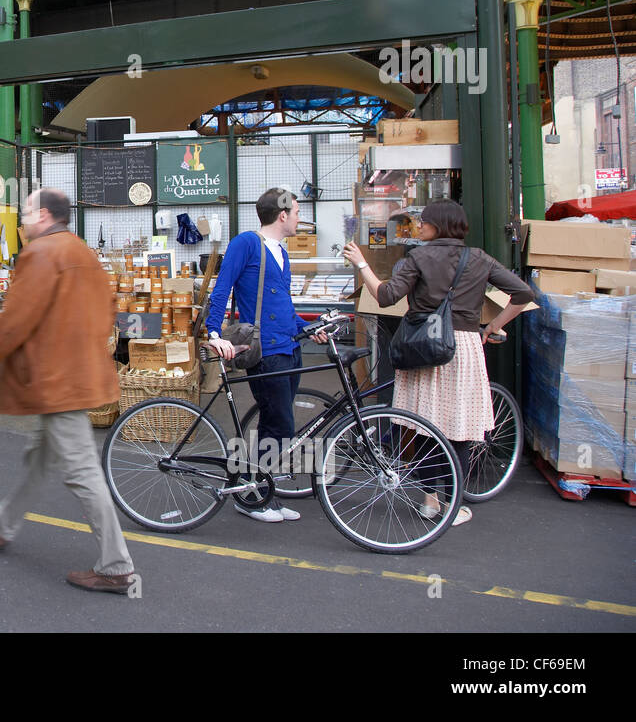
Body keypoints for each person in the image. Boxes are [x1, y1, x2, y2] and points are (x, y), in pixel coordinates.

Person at [0, 188, 137, 594]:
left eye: (26, 213)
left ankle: (116, 565)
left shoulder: (41, 255)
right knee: (41, 457)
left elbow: (14, 321)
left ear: (43, 215)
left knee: (81, 470)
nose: (23, 223)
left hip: (57, 383)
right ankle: (2, 522)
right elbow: (107, 313)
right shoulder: (82, 253)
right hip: (77, 378)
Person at [344, 199, 533, 526]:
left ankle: (430, 500)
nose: (419, 226)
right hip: (463, 348)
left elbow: (386, 296)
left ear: (437, 226)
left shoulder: (418, 257)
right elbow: (523, 294)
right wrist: (493, 326)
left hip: (423, 347)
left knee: (424, 427)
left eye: (424, 222)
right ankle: (453, 505)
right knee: (457, 430)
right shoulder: (479, 258)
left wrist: (362, 264)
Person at [205, 188, 329, 523]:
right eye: (298, 212)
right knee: (282, 424)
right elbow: (222, 287)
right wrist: (214, 333)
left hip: (289, 346)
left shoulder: (281, 252)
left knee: (277, 422)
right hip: (266, 351)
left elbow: (281, 305)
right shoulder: (246, 243)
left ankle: (263, 490)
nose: (300, 218)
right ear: (283, 214)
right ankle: (249, 497)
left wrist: (310, 326)